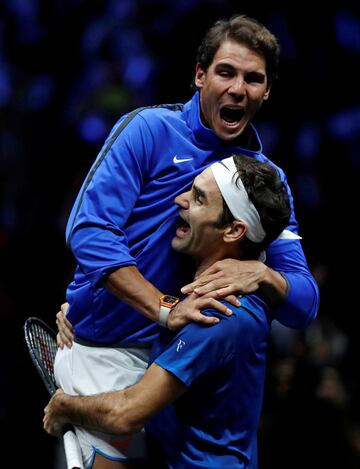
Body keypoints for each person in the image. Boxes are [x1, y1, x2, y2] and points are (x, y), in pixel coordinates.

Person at [54, 13, 319, 467]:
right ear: (199, 76)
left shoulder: (264, 180)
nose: (238, 87)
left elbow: (303, 303)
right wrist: (161, 305)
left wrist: (262, 272)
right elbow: (88, 231)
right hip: (112, 352)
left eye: (253, 78)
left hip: (180, 368)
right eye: (226, 72)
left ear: (267, 91)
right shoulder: (148, 130)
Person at [44, 154, 292, 468]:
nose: (180, 199)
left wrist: (64, 406)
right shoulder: (200, 295)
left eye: (199, 199)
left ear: (232, 230)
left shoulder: (217, 316)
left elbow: (125, 414)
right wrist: (79, 310)